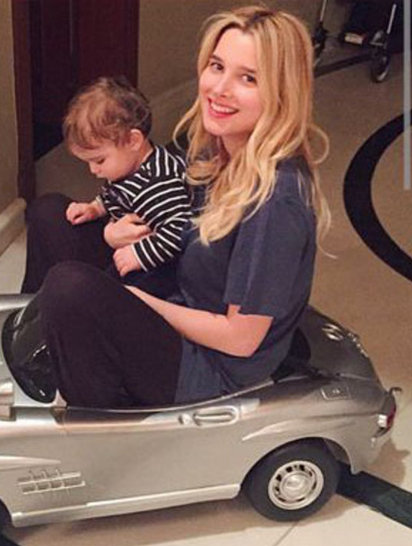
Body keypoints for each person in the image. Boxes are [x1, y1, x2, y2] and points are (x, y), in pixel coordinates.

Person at [35, 5, 331, 408]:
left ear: (282, 93)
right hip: (181, 288)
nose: (220, 88)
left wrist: (141, 303)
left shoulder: (276, 202)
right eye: (217, 66)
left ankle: (96, 413)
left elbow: (240, 340)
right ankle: (46, 338)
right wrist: (112, 232)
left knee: (69, 287)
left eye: (248, 78)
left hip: (210, 362)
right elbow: (167, 214)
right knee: (51, 214)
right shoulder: (217, 146)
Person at [21, 77, 191, 298]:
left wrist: (138, 254)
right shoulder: (128, 169)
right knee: (45, 210)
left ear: (133, 140)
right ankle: (30, 304)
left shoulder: (158, 184)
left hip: (152, 268)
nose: (93, 170)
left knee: (72, 281)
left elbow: (179, 230)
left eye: (99, 160)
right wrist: (95, 208)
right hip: (123, 247)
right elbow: (114, 195)